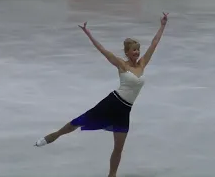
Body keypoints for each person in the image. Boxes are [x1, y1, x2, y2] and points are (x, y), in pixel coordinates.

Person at [34, 12, 169, 177]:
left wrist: (162, 25)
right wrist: (88, 33)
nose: (137, 52)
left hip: (125, 110)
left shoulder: (142, 64)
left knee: (118, 148)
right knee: (77, 122)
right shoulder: (121, 64)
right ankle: (53, 136)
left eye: (138, 50)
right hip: (111, 103)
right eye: (134, 50)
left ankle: (112, 175)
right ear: (127, 52)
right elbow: (103, 50)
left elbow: (154, 44)